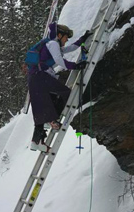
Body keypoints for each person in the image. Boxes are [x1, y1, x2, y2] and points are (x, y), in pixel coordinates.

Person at [28, 23, 92, 152]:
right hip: (40, 76)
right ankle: (52, 120)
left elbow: (69, 49)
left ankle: (36, 141)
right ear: (59, 35)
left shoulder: (51, 45)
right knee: (66, 93)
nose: (67, 39)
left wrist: (82, 40)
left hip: (35, 78)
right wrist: (76, 66)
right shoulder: (52, 44)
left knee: (44, 105)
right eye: (66, 37)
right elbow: (59, 60)